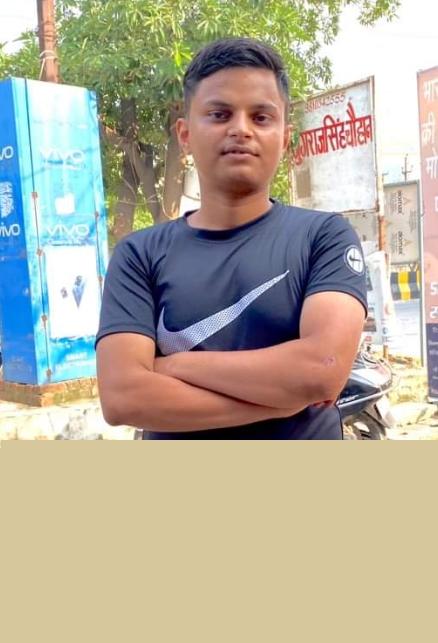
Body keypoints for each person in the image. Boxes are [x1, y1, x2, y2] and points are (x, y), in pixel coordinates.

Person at [96, 38, 367, 439]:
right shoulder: (140, 254)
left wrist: (173, 365)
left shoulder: (324, 237)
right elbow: (123, 397)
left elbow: (322, 369)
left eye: (261, 117)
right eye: (220, 114)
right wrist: (283, 398)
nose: (241, 129)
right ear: (185, 134)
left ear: (284, 136)